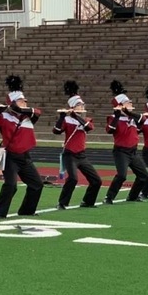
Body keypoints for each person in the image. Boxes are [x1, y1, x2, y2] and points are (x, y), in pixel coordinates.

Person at [0, 75, 44, 218]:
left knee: (37, 184)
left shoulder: (30, 116)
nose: (25, 102)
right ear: (13, 102)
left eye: (25, 100)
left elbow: (37, 112)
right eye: (21, 101)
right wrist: (1, 110)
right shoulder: (4, 117)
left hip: (25, 157)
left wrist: (17, 107)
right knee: (11, 186)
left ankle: (27, 211)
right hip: (10, 156)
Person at [52, 80, 102, 209]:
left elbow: (88, 127)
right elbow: (56, 131)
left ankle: (87, 202)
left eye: (82, 104)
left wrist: (75, 115)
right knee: (73, 179)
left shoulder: (86, 119)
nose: (82, 106)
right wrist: (62, 117)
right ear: (73, 106)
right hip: (70, 155)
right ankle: (62, 203)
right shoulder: (67, 120)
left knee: (96, 180)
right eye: (79, 105)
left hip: (82, 155)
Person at [103, 80, 148, 204]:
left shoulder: (133, 116)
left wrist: (128, 112)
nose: (131, 103)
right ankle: (109, 197)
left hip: (133, 151)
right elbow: (109, 130)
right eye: (128, 102)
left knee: (144, 175)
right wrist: (118, 115)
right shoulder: (113, 118)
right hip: (121, 151)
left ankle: (133, 196)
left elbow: (143, 120)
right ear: (121, 105)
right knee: (122, 175)